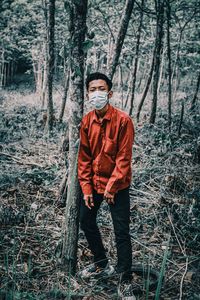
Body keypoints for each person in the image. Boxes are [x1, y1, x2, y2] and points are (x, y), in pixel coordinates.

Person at [78, 72, 135, 297]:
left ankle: (124, 277)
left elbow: (124, 158)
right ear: (87, 94)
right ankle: (101, 263)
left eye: (101, 89)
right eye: (93, 89)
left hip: (118, 187)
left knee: (121, 231)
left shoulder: (123, 120)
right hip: (94, 183)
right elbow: (84, 158)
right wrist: (86, 188)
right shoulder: (86, 121)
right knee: (86, 220)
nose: (97, 93)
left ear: (109, 93)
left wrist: (112, 187)